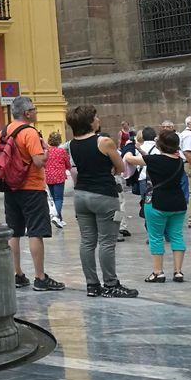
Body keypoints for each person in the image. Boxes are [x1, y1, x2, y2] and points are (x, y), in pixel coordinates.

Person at [67, 104, 137, 299]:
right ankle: (111, 283)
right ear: (90, 121)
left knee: (87, 241)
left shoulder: (72, 144)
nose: (98, 120)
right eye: (96, 117)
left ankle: (92, 284)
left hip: (81, 195)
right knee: (107, 241)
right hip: (104, 195)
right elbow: (121, 167)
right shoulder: (104, 142)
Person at [2, 96, 64, 292]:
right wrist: (46, 151)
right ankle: (40, 277)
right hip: (31, 187)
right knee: (36, 231)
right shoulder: (29, 133)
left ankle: (17, 274)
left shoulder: (5, 130)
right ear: (27, 113)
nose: (36, 112)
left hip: (11, 187)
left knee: (14, 231)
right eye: (34, 109)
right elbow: (38, 161)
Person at [127, 129, 187, 283]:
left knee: (156, 237)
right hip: (178, 203)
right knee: (177, 236)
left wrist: (128, 148)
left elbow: (131, 159)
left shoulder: (154, 160)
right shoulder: (179, 160)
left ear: (160, 145)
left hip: (157, 203)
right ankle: (178, 272)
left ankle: (158, 272)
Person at [44, 131, 70, 229]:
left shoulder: (46, 151)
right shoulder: (62, 151)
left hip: (49, 176)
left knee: (53, 198)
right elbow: (67, 164)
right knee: (59, 198)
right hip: (59, 177)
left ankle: (60, 218)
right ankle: (56, 217)